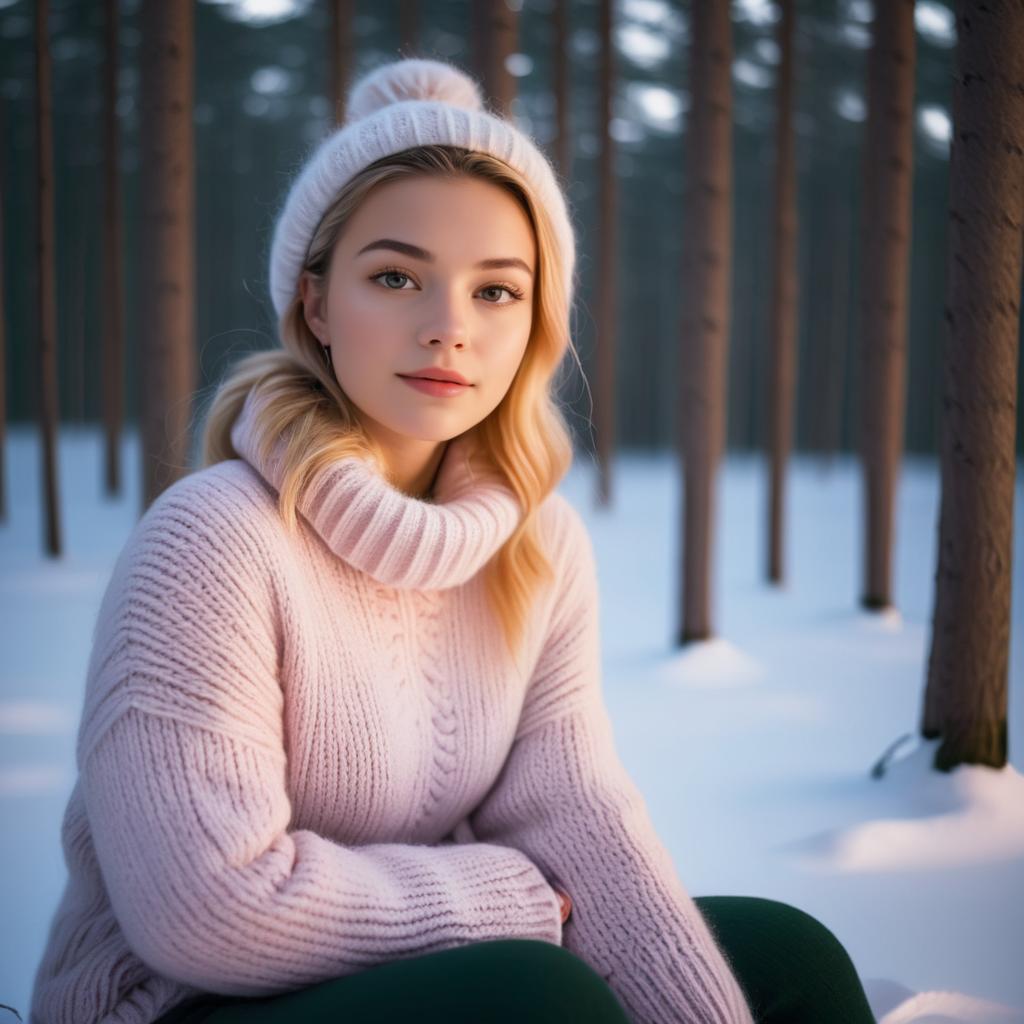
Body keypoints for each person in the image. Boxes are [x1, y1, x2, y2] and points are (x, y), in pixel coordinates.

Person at [27, 58, 877, 1024]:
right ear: (315, 303)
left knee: (785, 957)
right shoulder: (213, 540)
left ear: (536, 324)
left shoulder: (537, 548)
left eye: (495, 291)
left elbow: (576, 815)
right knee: (535, 993)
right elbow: (207, 912)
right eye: (396, 277)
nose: (447, 329)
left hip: (424, 970)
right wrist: (501, 899)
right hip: (180, 1001)